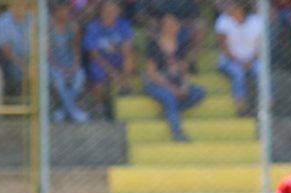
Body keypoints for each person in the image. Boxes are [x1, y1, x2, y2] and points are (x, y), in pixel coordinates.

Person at [144, 13, 206, 142]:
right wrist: (172, 89)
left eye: (175, 25)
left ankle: (169, 111)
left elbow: (183, 70)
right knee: (169, 96)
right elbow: (151, 73)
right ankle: (178, 132)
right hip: (156, 83)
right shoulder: (153, 45)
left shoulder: (181, 45)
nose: (173, 27)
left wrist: (184, 85)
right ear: (162, 27)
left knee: (200, 93)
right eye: (169, 25)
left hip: (175, 82)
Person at [81, 0, 134, 118]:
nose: (111, 14)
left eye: (114, 11)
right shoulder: (93, 27)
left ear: (118, 12)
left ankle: (124, 85)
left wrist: (122, 71)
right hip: (100, 60)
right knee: (97, 76)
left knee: (130, 58)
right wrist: (112, 72)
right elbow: (94, 55)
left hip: (117, 58)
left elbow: (127, 49)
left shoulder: (123, 24)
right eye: (107, 11)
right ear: (101, 12)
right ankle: (98, 105)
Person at [214, 0, 261, 117]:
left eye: (233, 6)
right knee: (238, 73)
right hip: (229, 60)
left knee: (262, 71)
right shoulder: (223, 20)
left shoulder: (256, 21)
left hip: (252, 60)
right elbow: (224, 48)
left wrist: (251, 60)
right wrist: (240, 62)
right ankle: (241, 108)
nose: (229, 8)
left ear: (241, 8)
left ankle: (268, 104)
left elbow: (261, 46)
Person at [49, 0, 88, 123]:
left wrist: (74, 65)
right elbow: (48, 54)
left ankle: (63, 111)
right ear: (56, 11)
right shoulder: (48, 26)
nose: (65, 13)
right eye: (62, 10)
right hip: (53, 64)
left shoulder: (73, 26)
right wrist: (60, 67)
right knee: (59, 80)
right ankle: (73, 111)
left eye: (67, 10)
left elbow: (77, 50)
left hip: (70, 63)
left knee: (80, 77)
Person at [0, 0, 33, 94]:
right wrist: (22, 65)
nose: (19, 6)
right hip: (12, 60)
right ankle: (20, 104)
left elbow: (41, 44)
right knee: (16, 72)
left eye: (22, 3)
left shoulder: (33, 18)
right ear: (10, 4)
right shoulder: (3, 21)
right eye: (15, 3)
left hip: (32, 58)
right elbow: (6, 50)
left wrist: (32, 64)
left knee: (48, 72)